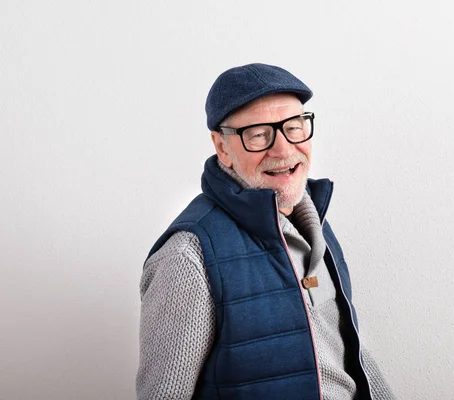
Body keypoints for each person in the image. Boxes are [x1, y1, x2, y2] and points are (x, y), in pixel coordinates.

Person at [137, 63, 395, 399]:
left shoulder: (316, 225)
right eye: (260, 134)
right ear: (222, 147)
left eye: (294, 127)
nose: (283, 149)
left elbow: (347, 356)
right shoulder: (188, 256)